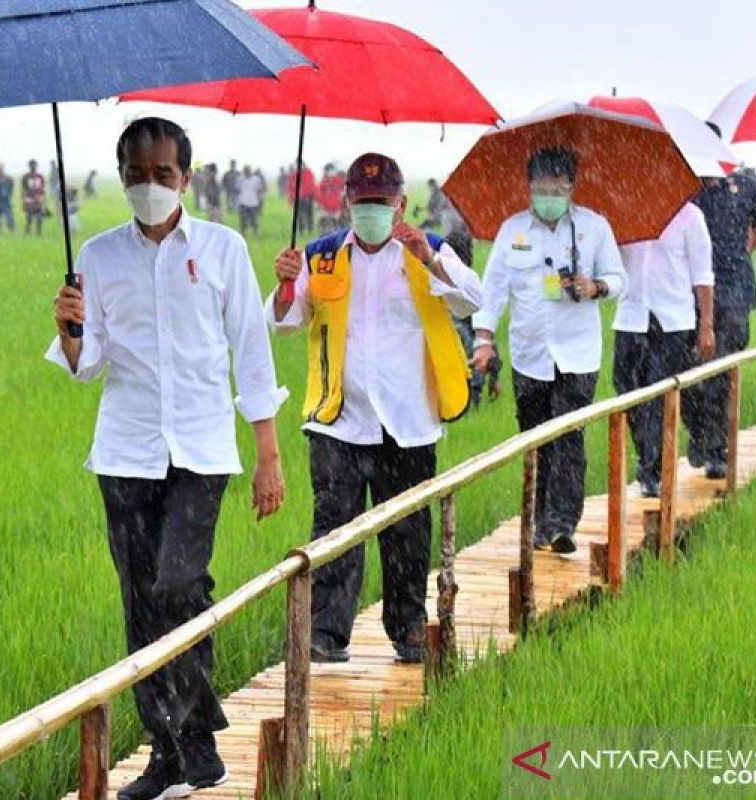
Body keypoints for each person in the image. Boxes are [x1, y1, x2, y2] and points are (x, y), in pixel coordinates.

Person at [49, 117, 286, 800]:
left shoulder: (221, 248)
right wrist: (68, 331)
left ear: (187, 174)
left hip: (202, 448)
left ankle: (198, 732)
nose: (148, 187)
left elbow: (252, 349)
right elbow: (88, 366)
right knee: (140, 606)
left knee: (179, 585)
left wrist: (267, 455)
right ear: (120, 176)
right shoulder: (95, 256)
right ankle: (171, 753)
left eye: (162, 174)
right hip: (125, 452)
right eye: (135, 175)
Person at [268, 152, 482, 665]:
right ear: (345, 203)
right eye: (362, 203)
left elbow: (472, 300)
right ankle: (327, 632)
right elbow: (282, 322)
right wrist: (283, 284)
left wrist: (429, 260)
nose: (371, 212)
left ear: (401, 203)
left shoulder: (429, 249)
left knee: (407, 532)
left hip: (407, 421)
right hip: (338, 417)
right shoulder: (319, 258)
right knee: (334, 527)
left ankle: (408, 628)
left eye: (381, 203)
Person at [471, 147, 626, 553]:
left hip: (579, 353)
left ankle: (562, 524)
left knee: (568, 436)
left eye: (557, 190)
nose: (549, 197)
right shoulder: (513, 231)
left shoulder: (594, 228)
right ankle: (537, 521)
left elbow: (618, 277)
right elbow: (493, 292)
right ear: (529, 187)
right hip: (529, 354)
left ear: (572, 188)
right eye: (541, 189)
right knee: (535, 439)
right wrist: (484, 340)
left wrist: (596, 287)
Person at [684, 129, 756, 477]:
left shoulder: (747, 187)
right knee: (683, 372)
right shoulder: (681, 189)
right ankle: (699, 428)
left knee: (719, 368)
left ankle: (717, 448)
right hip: (686, 292)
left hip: (734, 291)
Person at [615, 203, 715, 497]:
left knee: (658, 394)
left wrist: (706, 325)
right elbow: (612, 262)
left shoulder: (690, 217)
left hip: (672, 320)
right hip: (631, 316)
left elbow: (703, 275)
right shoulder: (627, 212)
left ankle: (651, 470)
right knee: (626, 392)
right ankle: (647, 453)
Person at [446, 231, 500, 406]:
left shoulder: (445, 279)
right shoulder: (470, 286)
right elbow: (487, 338)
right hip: (464, 373)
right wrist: (494, 377)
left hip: (455, 374)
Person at [286, 161, 316, 237]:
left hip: (308, 198)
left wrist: (310, 195)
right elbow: (290, 188)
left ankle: (310, 229)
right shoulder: (293, 175)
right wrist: (291, 199)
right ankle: (301, 230)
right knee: (299, 216)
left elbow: (312, 185)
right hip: (298, 199)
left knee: (309, 215)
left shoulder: (309, 173)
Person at [316, 163, 344, 234]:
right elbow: (319, 194)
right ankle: (325, 235)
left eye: (331, 170)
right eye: (328, 170)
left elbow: (344, 190)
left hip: (336, 207)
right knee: (325, 224)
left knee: (336, 224)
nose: (330, 172)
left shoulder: (338, 180)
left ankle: (337, 236)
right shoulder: (323, 182)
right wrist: (320, 204)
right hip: (325, 207)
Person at [236, 165, 261, 238]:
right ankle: (243, 234)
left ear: (250, 171)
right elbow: (237, 190)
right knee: (243, 220)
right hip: (243, 202)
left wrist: (259, 201)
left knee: (254, 220)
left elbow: (259, 191)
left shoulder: (256, 179)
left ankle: (256, 233)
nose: (247, 172)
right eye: (245, 170)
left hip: (253, 203)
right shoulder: (240, 179)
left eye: (248, 170)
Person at [0, 160, 15, 233]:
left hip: (7, 201)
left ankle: (12, 232)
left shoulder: (9, 179)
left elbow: (11, 189)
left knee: (10, 218)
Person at [23, 159, 46, 235]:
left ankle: (39, 233)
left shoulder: (40, 176)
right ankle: (27, 233)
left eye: (34, 165)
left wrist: (41, 198)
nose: (33, 167)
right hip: (29, 200)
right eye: (31, 165)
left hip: (39, 200)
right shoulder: (26, 177)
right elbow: (24, 189)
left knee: (39, 218)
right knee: (29, 218)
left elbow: (42, 188)